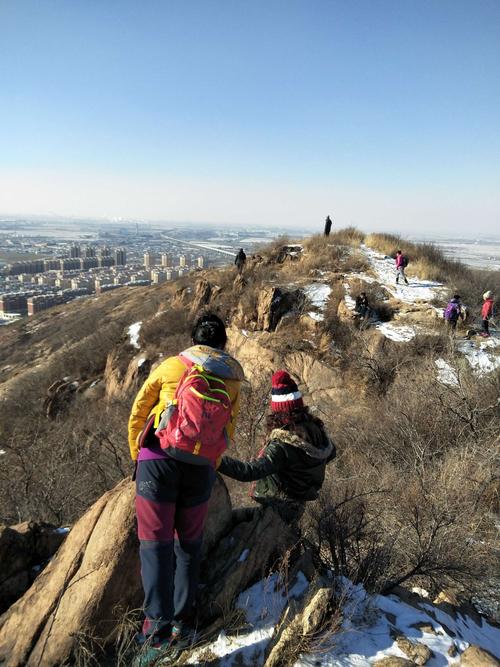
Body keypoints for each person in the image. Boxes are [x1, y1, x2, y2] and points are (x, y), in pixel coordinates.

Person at [128, 313, 244, 663]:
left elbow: (139, 409)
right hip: (200, 470)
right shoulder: (233, 378)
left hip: (158, 462)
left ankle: (156, 633)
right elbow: (229, 431)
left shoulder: (171, 366)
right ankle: (184, 623)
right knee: (188, 547)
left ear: (193, 339)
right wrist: (209, 462)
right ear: (223, 344)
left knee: (155, 545)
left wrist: (139, 453)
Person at [218, 370, 335, 525]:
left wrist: (216, 460)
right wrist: (300, 470)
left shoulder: (282, 445)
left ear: (278, 411)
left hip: (278, 507)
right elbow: (331, 453)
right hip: (298, 506)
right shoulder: (315, 430)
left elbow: (250, 471)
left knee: (230, 524)